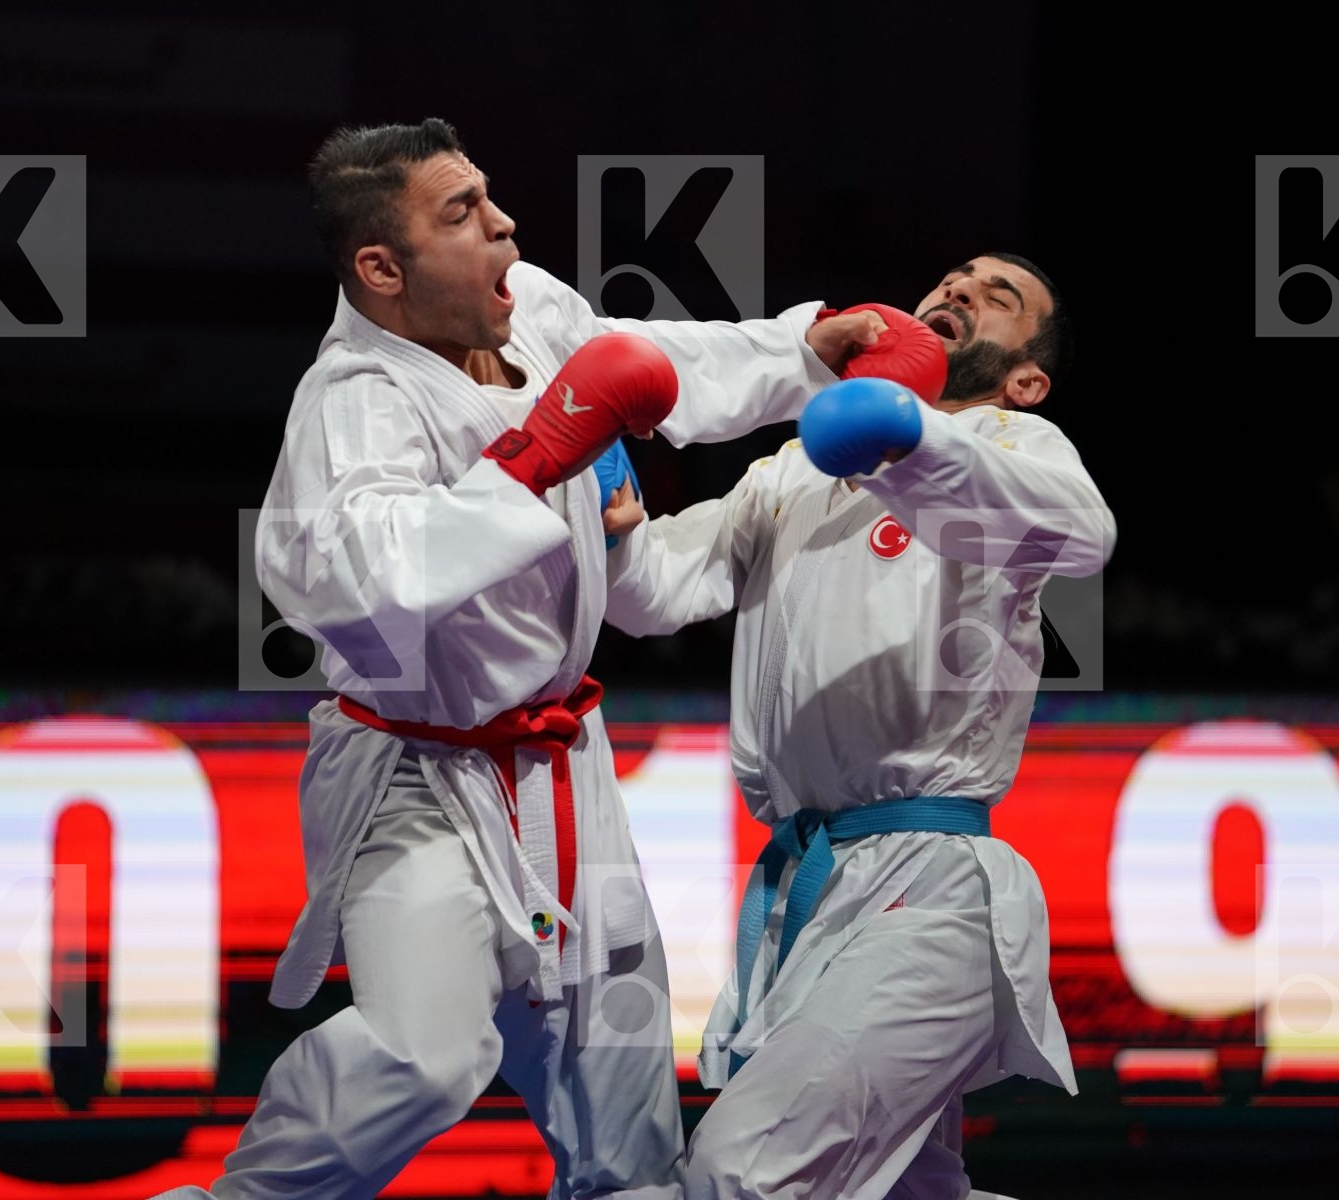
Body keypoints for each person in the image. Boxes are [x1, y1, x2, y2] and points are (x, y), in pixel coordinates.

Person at [154, 118, 886, 1200]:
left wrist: (800, 357)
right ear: (381, 268)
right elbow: (355, 586)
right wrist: (539, 456)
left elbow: (648, 361)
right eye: (462, 213)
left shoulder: (527, 303)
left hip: (562, 765)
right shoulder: (357, 401)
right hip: (418, 773)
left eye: (489, 197)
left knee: (623, 1090)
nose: (503, 222)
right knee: (427, 1052)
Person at [602, 255, 1115, 1199]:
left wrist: (906, 441)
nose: (958, 292)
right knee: (908, 1187)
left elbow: (1084, 533)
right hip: (810, 884)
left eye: (996, 298)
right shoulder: (794, 466)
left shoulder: (1015, 445)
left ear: (1026, 378)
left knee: (740, 1175)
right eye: (953, 280)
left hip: (931, 897)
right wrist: (612, 515)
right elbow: (658, 592)